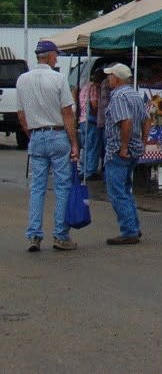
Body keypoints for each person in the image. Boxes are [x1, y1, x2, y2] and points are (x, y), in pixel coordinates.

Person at [17, 40, 80, 252]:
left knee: (37, 187)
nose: (57, 58)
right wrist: (74, 142)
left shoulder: (22, 80)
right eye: (56, 55)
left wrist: (31, 133)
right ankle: (60, 235)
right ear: (51, 55)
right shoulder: (59, 78)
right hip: (57, 133)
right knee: (62, 186)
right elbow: (67, 113)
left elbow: (21, 114)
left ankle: (34, 234)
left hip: (36, 135)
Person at [102, 63, 151, 246]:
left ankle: (129, 230)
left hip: (119, 150)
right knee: (126, 189)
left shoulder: (119, 96)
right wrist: (143, 143)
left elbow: (126, 122)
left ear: (117, 78)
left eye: (110, 76)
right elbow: (147, 121)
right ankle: (133, 226)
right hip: (134, 148)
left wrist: (123, 146)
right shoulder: (135, 95)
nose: (108, 79)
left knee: (116, 191)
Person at [79, 68, 104, 178]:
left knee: (86, 146)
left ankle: (83, 169)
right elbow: (94, 104)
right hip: (91, 121)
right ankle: (90, 171)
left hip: (83, 120)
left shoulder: (85, 86)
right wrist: (99, 115)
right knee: (93, 147)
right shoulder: (94, 87)